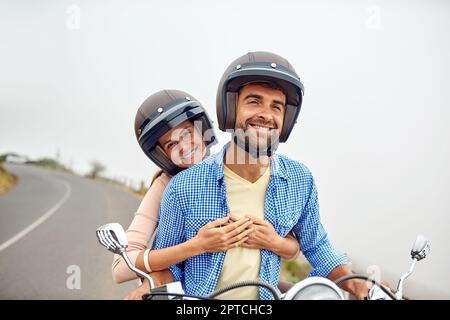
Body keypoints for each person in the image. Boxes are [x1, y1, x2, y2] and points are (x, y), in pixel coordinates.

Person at [151, 51, 370, 300]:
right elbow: (166, 263)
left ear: (285, 120)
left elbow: (317, 246)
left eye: (276, 106)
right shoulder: (184, 186)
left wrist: (357, 284)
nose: (266, 114)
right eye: (254, 101)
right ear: (230, 109)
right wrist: (150, 286)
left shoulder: (300, 180)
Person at [111, 89, 300, 299]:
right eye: (171, 144)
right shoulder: (166, 185)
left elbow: (292, 244)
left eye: (187, 134)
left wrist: (273, 241)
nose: (184, 147)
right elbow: (121, 268)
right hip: (189, 290)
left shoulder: (240, 166)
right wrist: (197, 246)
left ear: (203, 131)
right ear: (161, 155)